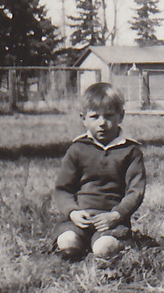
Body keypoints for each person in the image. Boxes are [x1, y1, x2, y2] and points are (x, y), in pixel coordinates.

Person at [53, 83, 145, 260]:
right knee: (67, 240)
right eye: (94, 117)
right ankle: (77, 245)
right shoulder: (78, 148)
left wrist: (117, 214)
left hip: (111, 219)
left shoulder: (130, 150)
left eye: (109, 116)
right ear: (83, 119)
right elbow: (63, 188)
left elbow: (136, 191)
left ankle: (110, 245)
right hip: (81, 218)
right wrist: (73, 212)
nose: (102, 123)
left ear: (121, 115)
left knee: (104, 248)